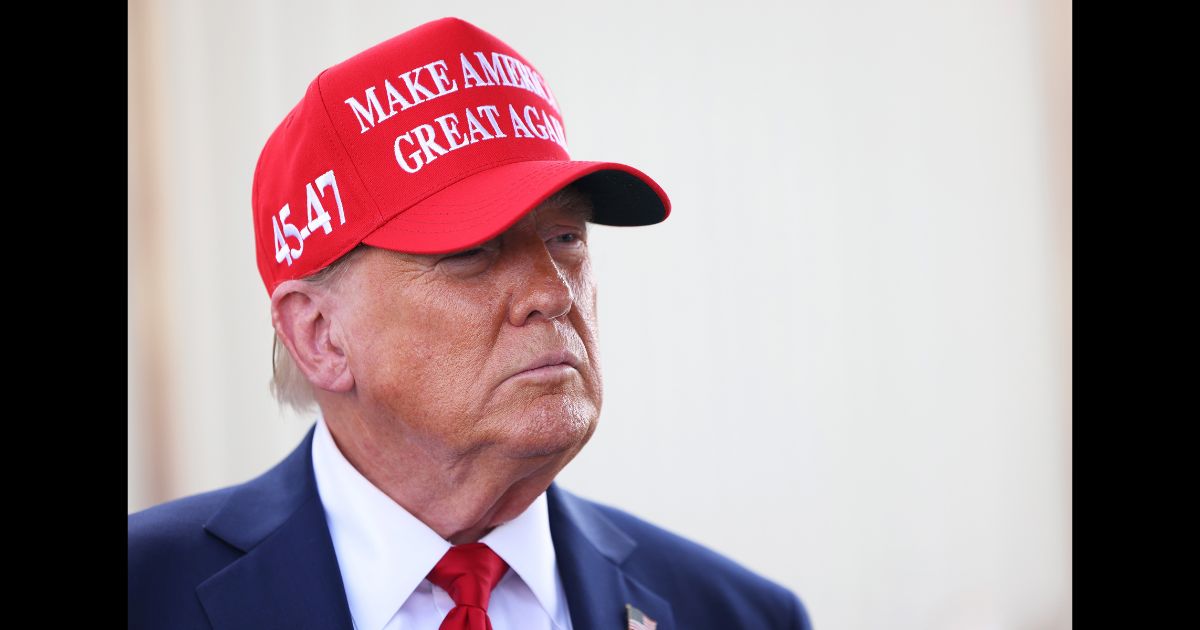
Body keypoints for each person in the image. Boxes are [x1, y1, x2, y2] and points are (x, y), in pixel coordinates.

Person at [128, 17, 814, 630]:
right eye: (469, 252)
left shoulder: (738, 614)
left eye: (565, 238)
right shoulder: (148, 593)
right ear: (319, 335)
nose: (550, 292)